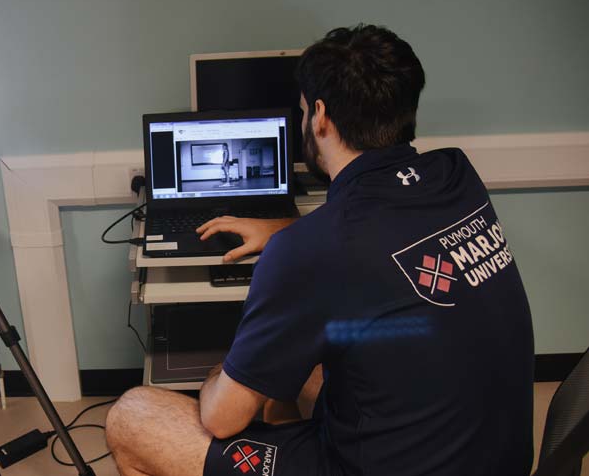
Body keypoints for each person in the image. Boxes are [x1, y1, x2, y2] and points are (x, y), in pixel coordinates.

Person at [105, 24, 534, 476]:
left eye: (305, 109)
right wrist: (287, 229)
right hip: (496, 457)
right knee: (302, 369)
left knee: (134, 416)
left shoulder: (310, 250)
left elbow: (220, 418)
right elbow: (381, 232)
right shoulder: (456, 175)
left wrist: (222, 369)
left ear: (322, 116)